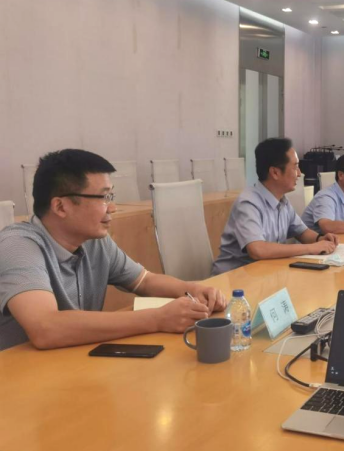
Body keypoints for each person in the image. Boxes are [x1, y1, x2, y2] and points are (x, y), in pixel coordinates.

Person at [0, 149, 227, 352]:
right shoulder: (18, 245)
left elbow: (144, 281)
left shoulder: (94, 240)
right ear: (61, 206)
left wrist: (192, 289)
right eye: (103, 197)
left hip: (71, 362)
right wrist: (157, 319)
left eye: (111, 196)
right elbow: (46, 328)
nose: (113, 208)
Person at [212, 138, 338, 274]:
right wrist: (311, 248)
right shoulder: (248, 203)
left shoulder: (282, 201)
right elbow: (257, 250)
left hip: (264, 274)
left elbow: (302, 232)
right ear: (275, 173)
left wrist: (320, 239)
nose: (299, 173)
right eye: (295, 167)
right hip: (233, 279)